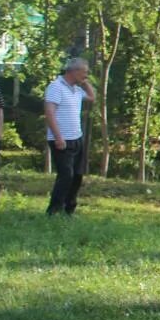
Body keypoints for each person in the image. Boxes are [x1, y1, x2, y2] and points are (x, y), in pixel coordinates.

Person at [43, 57, 96, 215]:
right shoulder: (55, 87)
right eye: (84, 73)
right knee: (66, 176)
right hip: (61, 139)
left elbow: (92, 98)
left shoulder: (76, 89)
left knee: (77, 176)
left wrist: (85, 83)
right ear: (73, 71)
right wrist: (58, 137)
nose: (86, 75)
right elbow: (49, 113)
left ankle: (69, 209)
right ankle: (54, 211)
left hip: (76, 138)